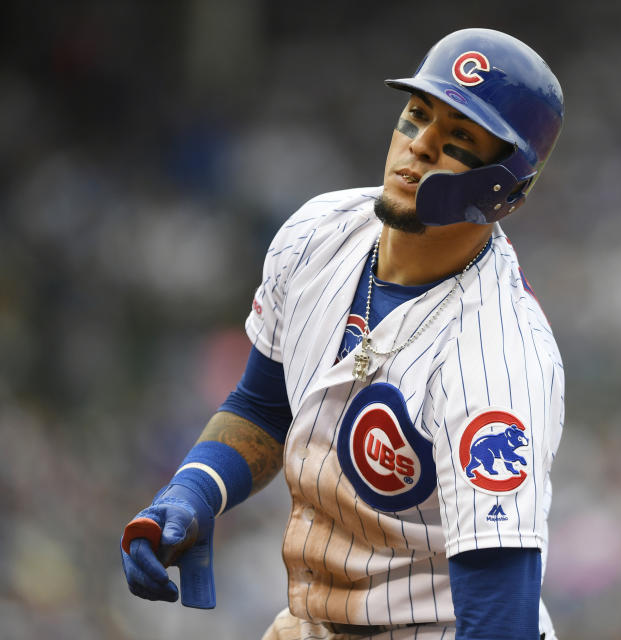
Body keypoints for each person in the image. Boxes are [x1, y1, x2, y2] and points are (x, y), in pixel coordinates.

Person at [120, 27, 565, 640]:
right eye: (417, 117)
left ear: (503, 186)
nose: (420, 147)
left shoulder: (497, 362)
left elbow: (500, 620)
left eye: (459, 140)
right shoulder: (316, 234)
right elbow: (263, 405)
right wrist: (192, 493)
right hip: (313, 622)